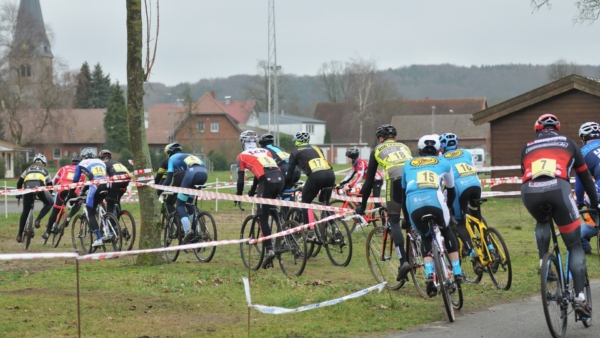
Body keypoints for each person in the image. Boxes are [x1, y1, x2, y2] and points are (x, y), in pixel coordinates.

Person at [520, 114, 600, 317]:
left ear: (537, 131)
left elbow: (526, 172)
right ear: (557, 129)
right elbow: (585, 178)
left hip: (530, 192)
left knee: (542, 219)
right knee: (573, 245)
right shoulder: (569, 142)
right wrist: (595, 204)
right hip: (559, 190)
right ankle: (580, 298)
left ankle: (544, 264)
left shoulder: (527, 147)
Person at [402, 135, 462, 296]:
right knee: (446, 229)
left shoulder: (408, 164)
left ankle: (430, 273)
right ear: (438, 150)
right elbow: (451, 189)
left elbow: (401, 194)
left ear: (420, 150)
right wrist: (448, 209)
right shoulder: (444, 162)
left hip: (412, 203)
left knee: (426, 237)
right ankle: (457, 270)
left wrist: (406, 220)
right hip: (435, 200)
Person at [356, 124, 413, 282]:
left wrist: (362, 205)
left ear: (380, 139)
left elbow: (368, 183)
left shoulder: (377, 149)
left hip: (395, 178)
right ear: (395, 138)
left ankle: (403, 262)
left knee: (393, 220)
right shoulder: (404, 147)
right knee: (410, 218)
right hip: (414, 178)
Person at [237, 131, 284, 268]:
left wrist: (239, 196)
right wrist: (253, 191)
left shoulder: (241, 156)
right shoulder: (265, 151)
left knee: (262, 216)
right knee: (270, 207)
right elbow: (261, 173)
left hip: (266, 181)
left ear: (243, 143)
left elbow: (240, 181)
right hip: (280, 179)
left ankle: (269, 249)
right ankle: (280, 224)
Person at [438, 132, 482, 271]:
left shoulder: (442, 159)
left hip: (459, 187)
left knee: (460, 223)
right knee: (476, 216)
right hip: (475, 184)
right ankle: (488, 245)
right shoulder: (466, 153)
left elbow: (440, 182)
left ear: (442, 147)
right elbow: (475, 170)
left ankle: (472, 252)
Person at [284, 131, 335, 233]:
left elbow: (289, 174)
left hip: (316, 176)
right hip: (330, 175)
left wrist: (285, 186)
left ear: (297, 142)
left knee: (306, 203)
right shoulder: (317, 148)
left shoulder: (295, 152)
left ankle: (310, 231)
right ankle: (334, 228)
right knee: (325, 203)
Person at [161, 142, 208, 244]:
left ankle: (188, 230)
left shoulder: (172, 159)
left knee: (179, 204)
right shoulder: (188, 155)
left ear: (169, 153)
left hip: (192, 174)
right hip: (204, 174)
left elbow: (168, 180)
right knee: (189, 203)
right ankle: (197, 232)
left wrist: (159, 189)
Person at [69, 148, 110, 247]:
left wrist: (70, 194)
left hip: (96, 185)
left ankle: (99, 238)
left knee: (90, 212)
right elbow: (94, 178)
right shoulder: (100, 161)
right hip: (107, 184)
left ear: (83, 157)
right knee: (100, 205)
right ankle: (108, 231)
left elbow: (75, 181)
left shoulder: (81, 163)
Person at [42, 154, 84, 241]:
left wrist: (50, 191)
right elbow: (81, 186)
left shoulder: (64, 168)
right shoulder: (82, 171)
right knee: (78, 202)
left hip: (62, 190)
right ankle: (69, 216)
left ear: (72, 162)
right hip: (74, 191)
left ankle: (47, 232)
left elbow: (53, 182)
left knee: (55, 210)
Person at [574, 122, 600, 254]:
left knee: (592, 200)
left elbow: (580, 185)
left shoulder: (582, 152)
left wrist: (579, 202)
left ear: (583, 138)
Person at [15, 154, 53, 243]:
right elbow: (50, 186)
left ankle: (19, 235)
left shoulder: (27, 169)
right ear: (44, 163)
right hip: (39, 187)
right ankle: (38, 219)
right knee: (50, 203)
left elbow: (19, 183)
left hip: (27, 187)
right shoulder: (45, 171)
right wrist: (48, 197)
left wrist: (19, 193)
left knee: (25, 211)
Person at [98, 149, 130, 215]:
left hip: (116, 179)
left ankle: (110, 222)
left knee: (110, 199)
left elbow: (101, 177)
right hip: (126, 179)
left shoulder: (102, 163)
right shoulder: (117, 162)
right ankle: (116, 221)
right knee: (116, 200)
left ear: (100, 157)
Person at [154, 150, 185, 215]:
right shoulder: (183, 158)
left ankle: (177, 221)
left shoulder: (167, 160)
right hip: (189, 178)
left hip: (177, 180)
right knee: (184, 202)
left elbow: (159, 177)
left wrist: (158, 190)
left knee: (169, 202)